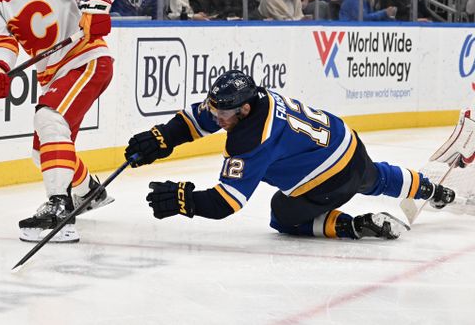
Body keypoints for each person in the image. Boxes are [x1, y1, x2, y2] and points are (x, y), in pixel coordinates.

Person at [123, 70, 456, 241]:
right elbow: (202, 118)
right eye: (216, 111)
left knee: (282, 214)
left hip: (331, 177)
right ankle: (432, 190)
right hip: (348, 143)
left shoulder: (252, 140)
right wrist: (163, 137)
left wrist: (184, 199)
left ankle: (352, 227)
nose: (217, 119)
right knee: (376, 177)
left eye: (222, 115)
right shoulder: (251, 100)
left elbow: (227, 202)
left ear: (244, 110)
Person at [0, 0, 121, 243]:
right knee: (41, 151)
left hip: (86, 57)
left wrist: (97, 6)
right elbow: (0, 42)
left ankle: (59, 207)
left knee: (48, 117)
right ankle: (87, 192)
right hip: (53, 74)